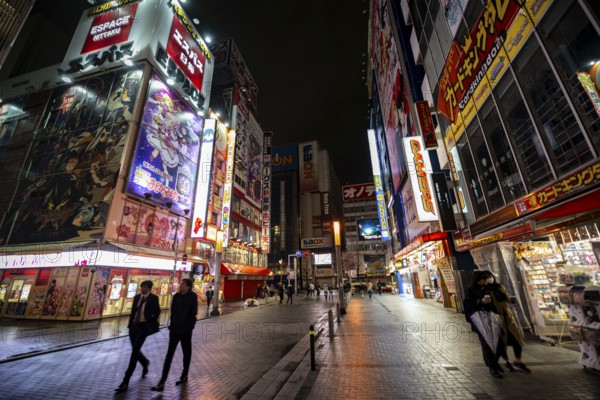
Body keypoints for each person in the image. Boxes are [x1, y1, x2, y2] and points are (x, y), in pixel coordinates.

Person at [463, 270, 529, 379]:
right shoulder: (472, 290)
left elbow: (503, 299)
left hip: (496, 319)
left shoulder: (493, 288)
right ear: (478, 280)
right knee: (488, 346)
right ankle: (493, 367)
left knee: (501, 344)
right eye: (485, 279)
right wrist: (480, 302)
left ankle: (499, 363)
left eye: (488, 278)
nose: (487, 280)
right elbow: (468, 305)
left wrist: (509, 299)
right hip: (482, 321)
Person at [151, 279, 198, 391]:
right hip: (175, 329)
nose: (179, 285)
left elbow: (193, 314)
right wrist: (171, 325)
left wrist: (189, 327)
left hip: (186, 330)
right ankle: (162, 382)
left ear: (187, 287)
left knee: (186, 353)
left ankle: (184, 374)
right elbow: (173, 311)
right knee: (169, 355)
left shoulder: (192, 296)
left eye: (182, 284)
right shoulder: (176, 296)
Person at [116, 280, 160, 393]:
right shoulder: (136, 297)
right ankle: (144, 362)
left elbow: (157, 312)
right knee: (135, 349)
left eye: (144, 287)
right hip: (134, 327)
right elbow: (133, 312)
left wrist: (149, 322)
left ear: (149, 288)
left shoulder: (154, 299)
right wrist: (130, 324)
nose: (142, 288)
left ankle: (125, 381)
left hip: (144, 327)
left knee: (135, 351)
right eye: (141, 286)